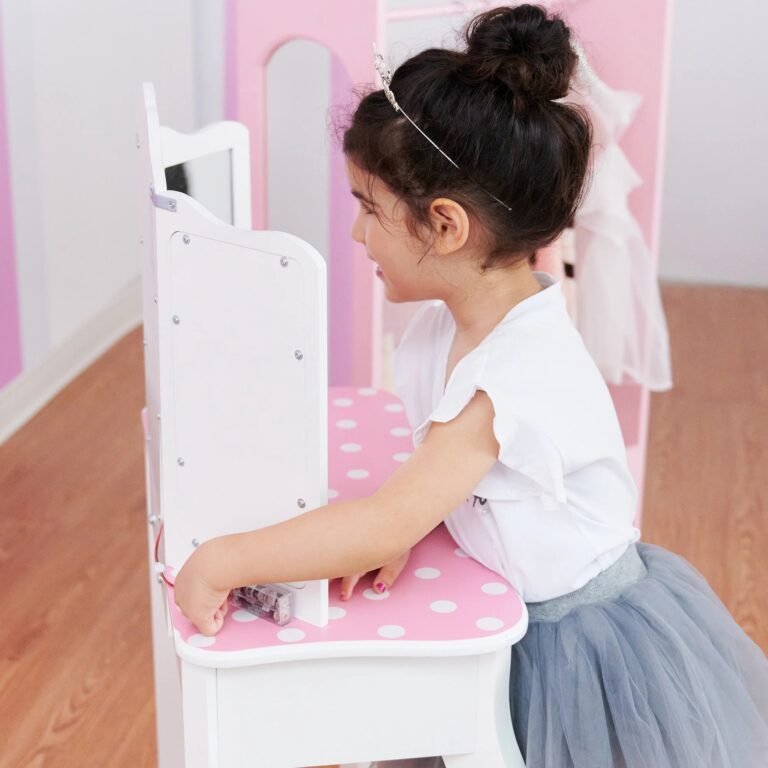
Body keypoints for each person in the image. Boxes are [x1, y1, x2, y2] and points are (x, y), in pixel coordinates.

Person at [172, 4, 768, 766]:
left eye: (370, 210)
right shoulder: (442, 328)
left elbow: (382, 520)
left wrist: (223, 560)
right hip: (510, 609)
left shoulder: (507, 377)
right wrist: (418, 525)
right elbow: (437, 495)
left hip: (575, 648)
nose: (356, 234)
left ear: (447, 226)